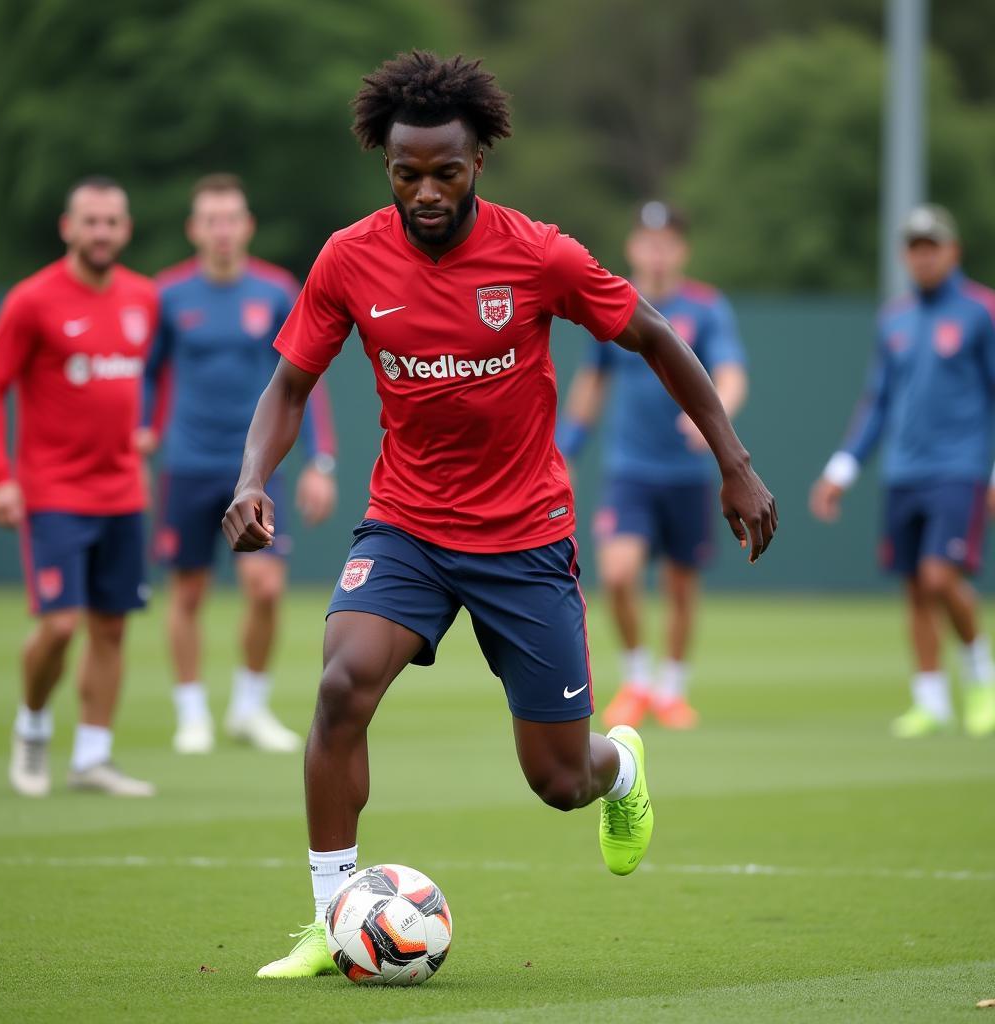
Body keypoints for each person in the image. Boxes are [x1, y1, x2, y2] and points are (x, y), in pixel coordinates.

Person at [221, 51, 776, 979]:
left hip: (524, 538)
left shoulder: (539, 254)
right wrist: (251, 480)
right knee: (339, 687)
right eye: (407, 174)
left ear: (479, 161)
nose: (426, 190)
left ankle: (622, 768)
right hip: (406, 526)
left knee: (559, 781)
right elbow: (288, 385)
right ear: (385, 167)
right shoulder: (350, 258)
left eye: (445, 171)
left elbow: (654, 336)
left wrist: (736, 462)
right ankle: (330, 918)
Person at [137, 174, 338, 755]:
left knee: (266, 587)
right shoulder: (169, 295)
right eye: (211, 220)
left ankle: (249, 706)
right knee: (189, 592)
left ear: (247, 227)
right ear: (194, 229)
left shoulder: (275, 291)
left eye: (232, 219)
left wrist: (319, 460)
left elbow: (305, 379)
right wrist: (143, 434)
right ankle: (192, 713)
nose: (222, 230)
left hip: (257, 466)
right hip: (187, 465)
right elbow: (148, 376)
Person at [0, 176, 158, 798]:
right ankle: (31, 729)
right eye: (90, 221)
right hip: (53, 491)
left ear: (125, 230)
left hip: (123, 493)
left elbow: (157, 378)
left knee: (111, 627)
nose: (101, 232)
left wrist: (149, 429)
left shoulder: (142, 298)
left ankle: (92, 758)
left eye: (112, 221)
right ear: (68, 227)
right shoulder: (32, 301)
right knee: (59, 625)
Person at [558, 201, 747, 730]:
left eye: (667, 242)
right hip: (631, 470)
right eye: (647, 240)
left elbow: (731, 374)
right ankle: (638, 680)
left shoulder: (707, 309)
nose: (657, 251)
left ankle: (673, 689)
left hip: (687, 474)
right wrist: (566, 448)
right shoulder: (615, 301)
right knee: (617, 573)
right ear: (633, 246)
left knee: (681, 585)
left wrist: (716, 418)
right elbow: (592, 382)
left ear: (681, 249)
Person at [810, 204, 995, 739]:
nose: (923, 256)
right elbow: (878, 403)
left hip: (958, 469)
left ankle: (980, 678)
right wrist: (841, 469)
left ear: (952, 252)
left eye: (932, 246)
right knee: (916, 587)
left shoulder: (980, 312)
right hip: (902, 473)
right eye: (914, 247)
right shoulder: (894, 318)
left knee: (942, 577)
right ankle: (931, 700)